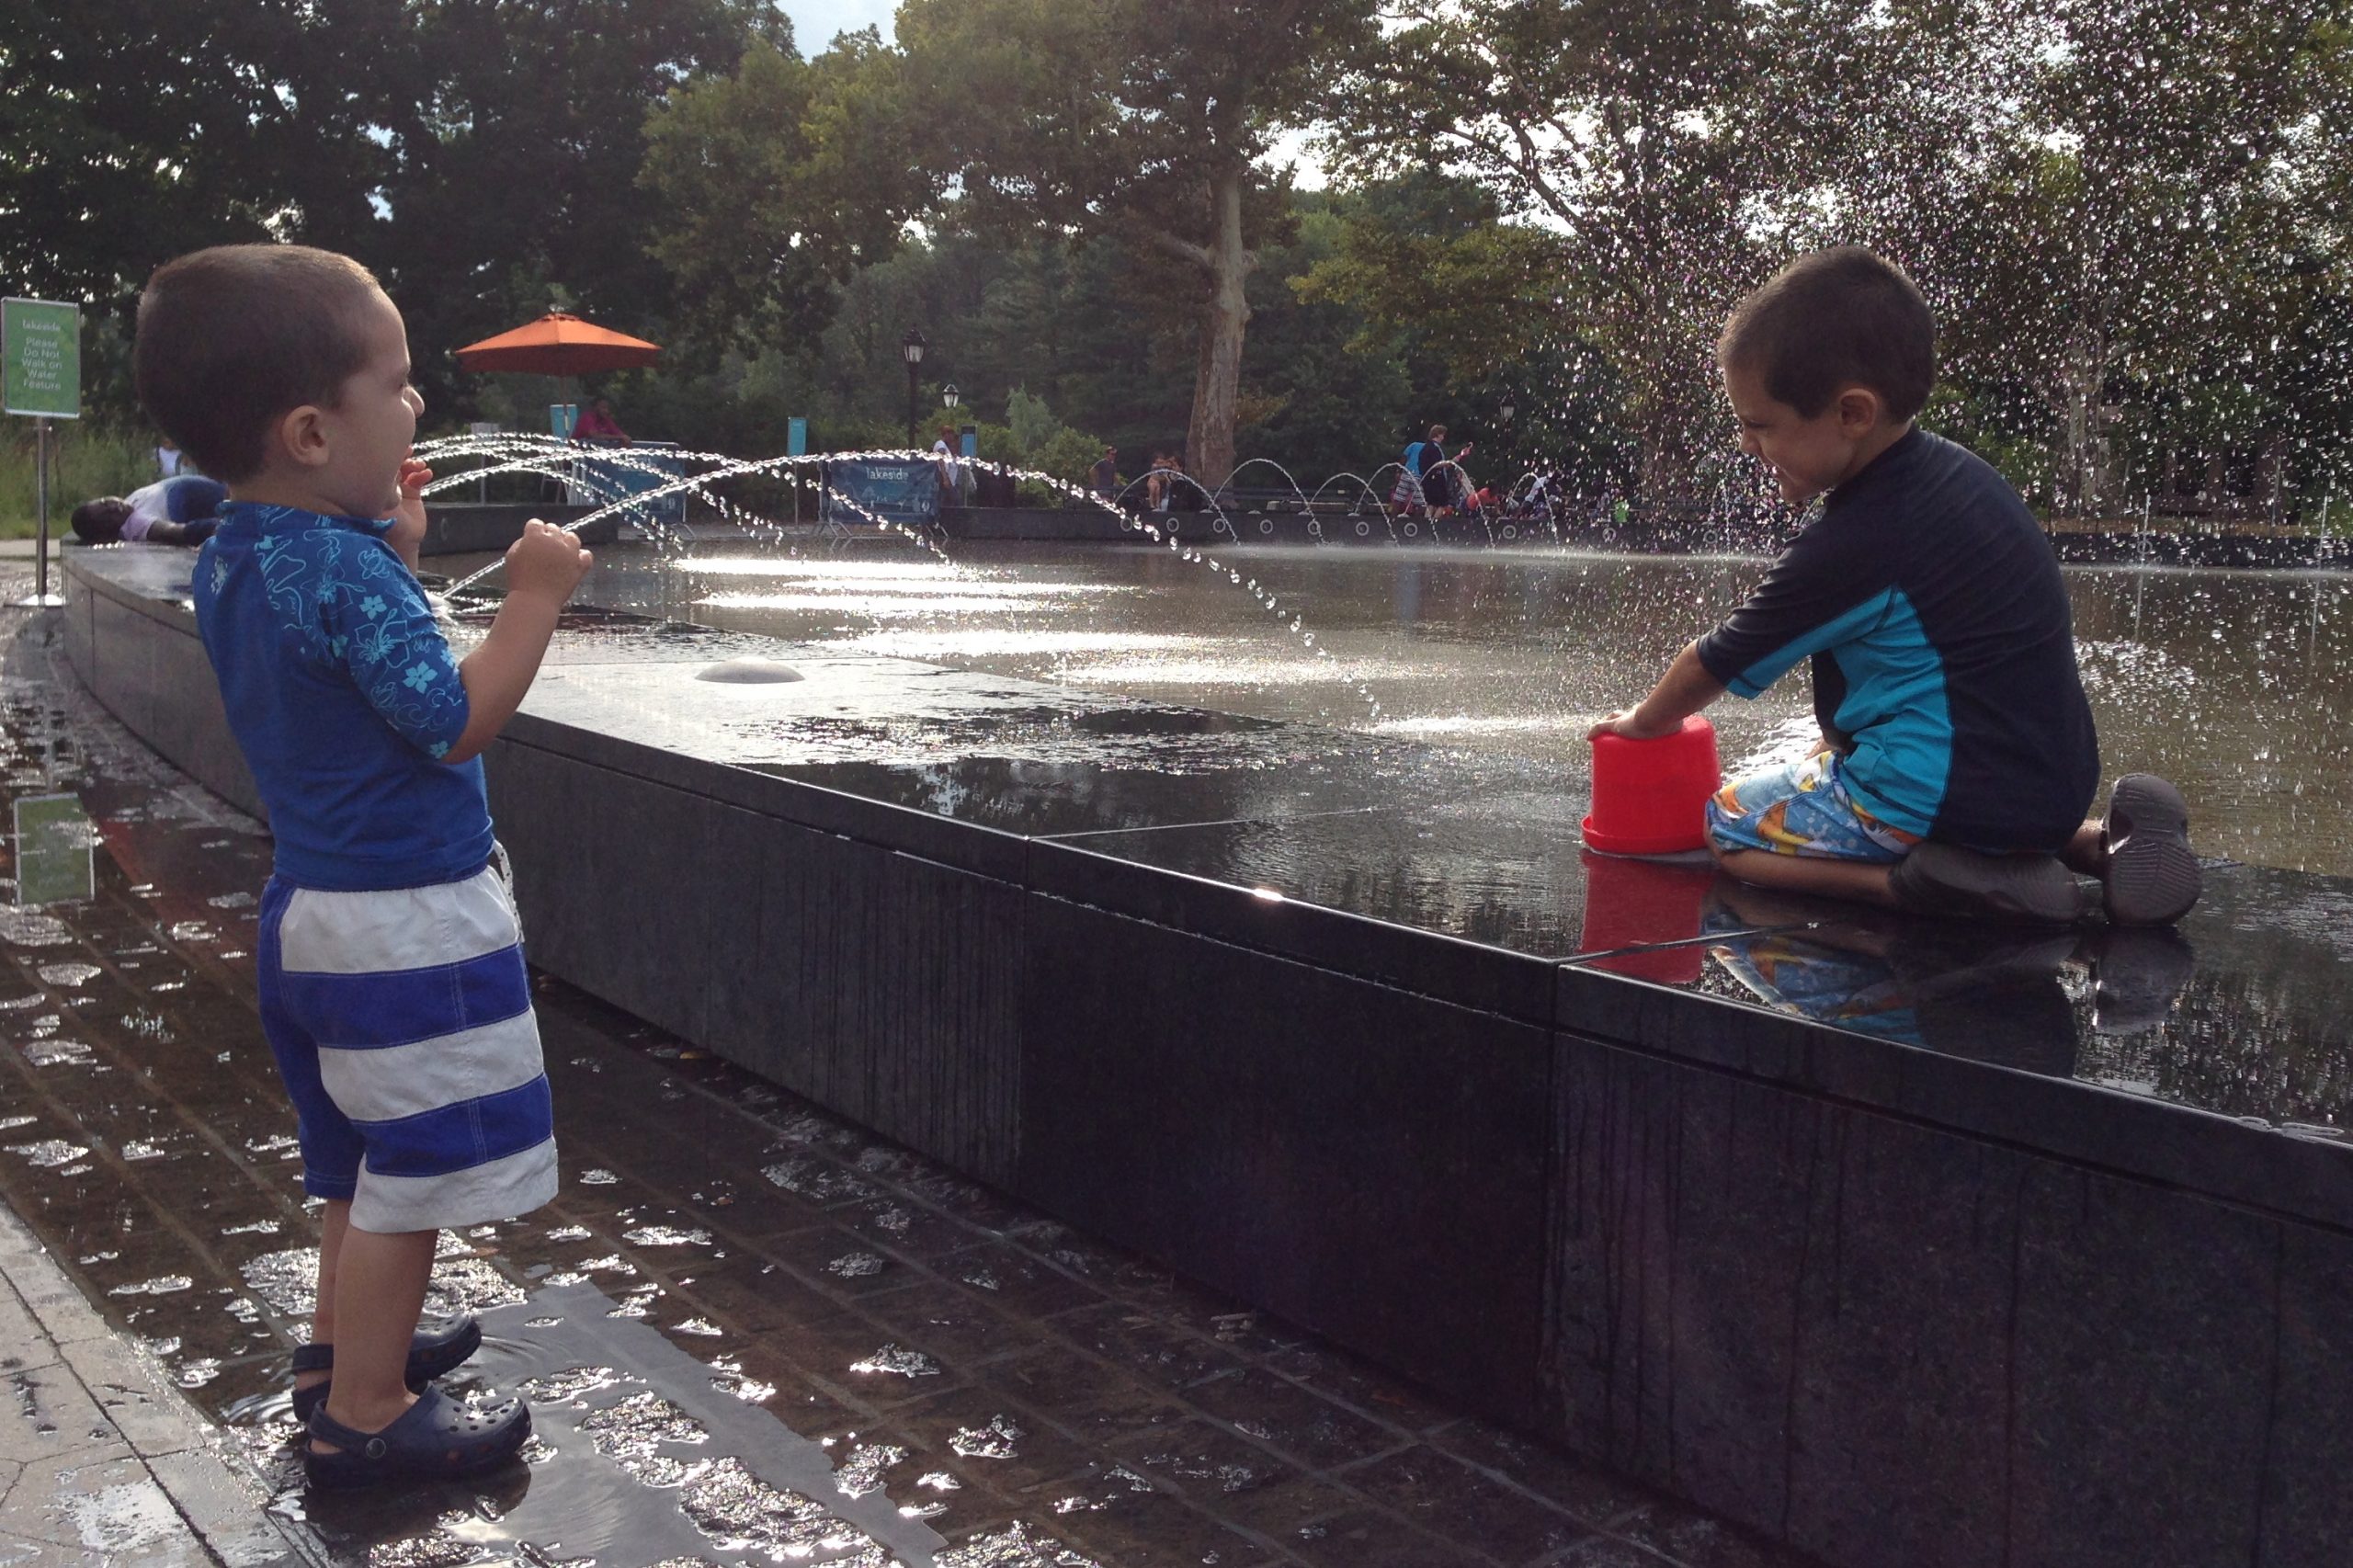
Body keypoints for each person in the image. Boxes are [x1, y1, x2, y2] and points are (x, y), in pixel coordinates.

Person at [134, 243, 592, 1488]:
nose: (417, 404)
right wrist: (536, 599)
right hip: (408, 924)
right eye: (393, 385)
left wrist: (394, 537)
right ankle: (369, 1412)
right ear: (307, 430)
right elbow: (450, 716)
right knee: (416, 1168)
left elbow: (334, 659)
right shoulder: (343, 567)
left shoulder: (244, 547)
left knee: (351, 1156)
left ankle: (338, 1350)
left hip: (310, 915)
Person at [1588, 246, 2200, 928]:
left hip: (1939, 796)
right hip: (2049, 785)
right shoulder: (1965, 480)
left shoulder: (1857, 542)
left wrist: (1645, 724)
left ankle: (1916, 883)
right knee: (1867, 759)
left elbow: (1716, 659)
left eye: (1759, 426)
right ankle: (2100, 843)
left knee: (1728, 825)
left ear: (1851, 413)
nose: (1747, 446)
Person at [70, 473, 229, 546]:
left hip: (196, 490)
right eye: (108, 516)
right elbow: (171, 531)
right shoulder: (134, 524)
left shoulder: (130, 502)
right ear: (106, 536)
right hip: (190, 500)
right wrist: (218, 528)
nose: (114, 507)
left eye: (105, 502)